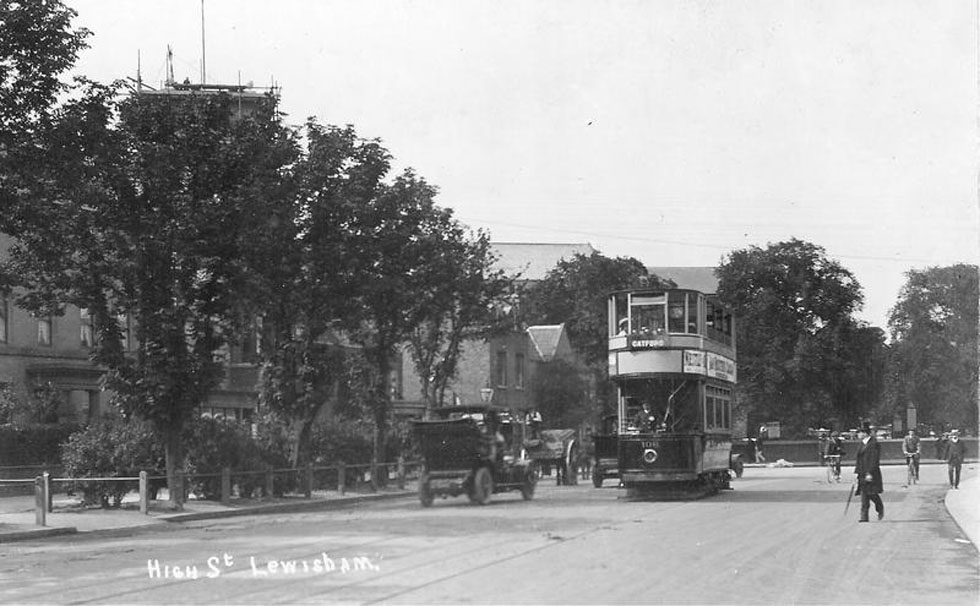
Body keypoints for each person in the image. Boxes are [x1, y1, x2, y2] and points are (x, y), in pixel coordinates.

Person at [854, 423, 884, 522]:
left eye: (859, 433)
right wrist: (857, 473)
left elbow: (874, 460)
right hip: (862, 473)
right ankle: (864, 517)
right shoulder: (861, 444)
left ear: (865, 433)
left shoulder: (874, 444)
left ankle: (879, 506)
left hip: (871, 472)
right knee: (864, 494)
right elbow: (859, 460)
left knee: (872, 493)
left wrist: (869, 473)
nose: (858, 435)